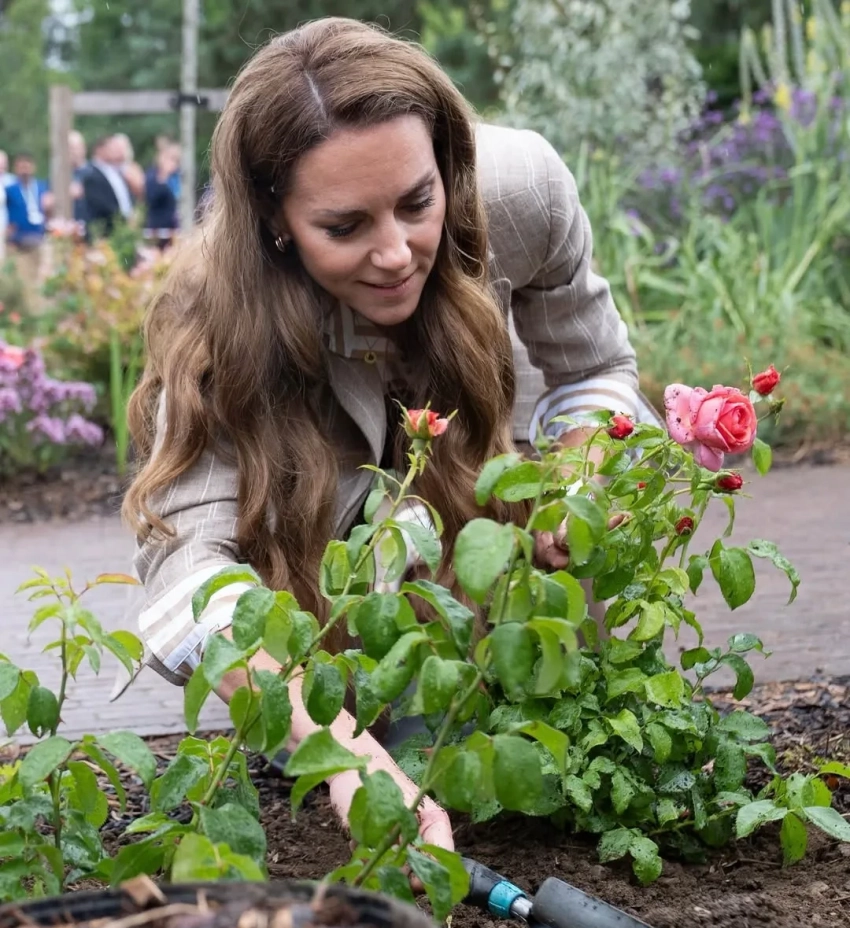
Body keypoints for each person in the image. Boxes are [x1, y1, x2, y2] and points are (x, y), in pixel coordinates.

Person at [124, 18, 653, 853]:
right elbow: (188, 573)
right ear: (276, 220)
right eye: (344, 227)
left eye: (417, 203)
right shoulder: (217, 308)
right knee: (369, 724)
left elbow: (595, 370)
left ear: (446, 164)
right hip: (332, 586)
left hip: (479, 541)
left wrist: (580, 478)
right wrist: (342, 756)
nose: (397, 253)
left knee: (520, 735)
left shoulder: (520, 192)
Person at [5, 153, 52, 306]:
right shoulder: (10, 189)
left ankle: (38, 304)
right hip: (18, 239)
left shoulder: (42, 187)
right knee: (23, 277)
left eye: (27, 166)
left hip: (39, 236)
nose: (24, 170)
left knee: (41, 276)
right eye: (21, 167)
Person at [83, 134, 135, 238]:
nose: (114, 151)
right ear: (100, 150)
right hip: (106, 231)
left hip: (123, 228)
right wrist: (121, 218)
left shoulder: (116, 171)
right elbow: (101, 204)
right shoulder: (91, 174)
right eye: (111, 148)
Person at [144, 140, 180, 244]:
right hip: (158, 229)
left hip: (174, 226)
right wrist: (164, 175)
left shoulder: (176, 177)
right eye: (172, 159)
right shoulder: (153, 176)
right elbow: (151, 198)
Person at [68, 130, 90, 226]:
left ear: (84, 149)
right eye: (69, 148)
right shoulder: (58, 176)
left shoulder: (93, 173)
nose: (73, 152)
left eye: (75, 148)